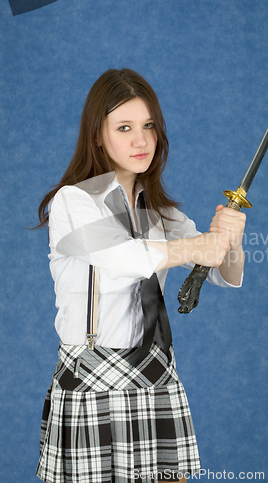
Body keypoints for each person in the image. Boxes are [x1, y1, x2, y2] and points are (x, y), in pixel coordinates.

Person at [35, 68, 246, 483]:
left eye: (149, 126)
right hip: (91, 379)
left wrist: (230, 240)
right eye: (125, 127)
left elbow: (224, 274)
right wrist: (195, 246)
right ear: (98, 135)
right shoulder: (73, 203)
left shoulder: (162, 213)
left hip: (156, 374)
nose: (141, 140)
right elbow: (122, 258)